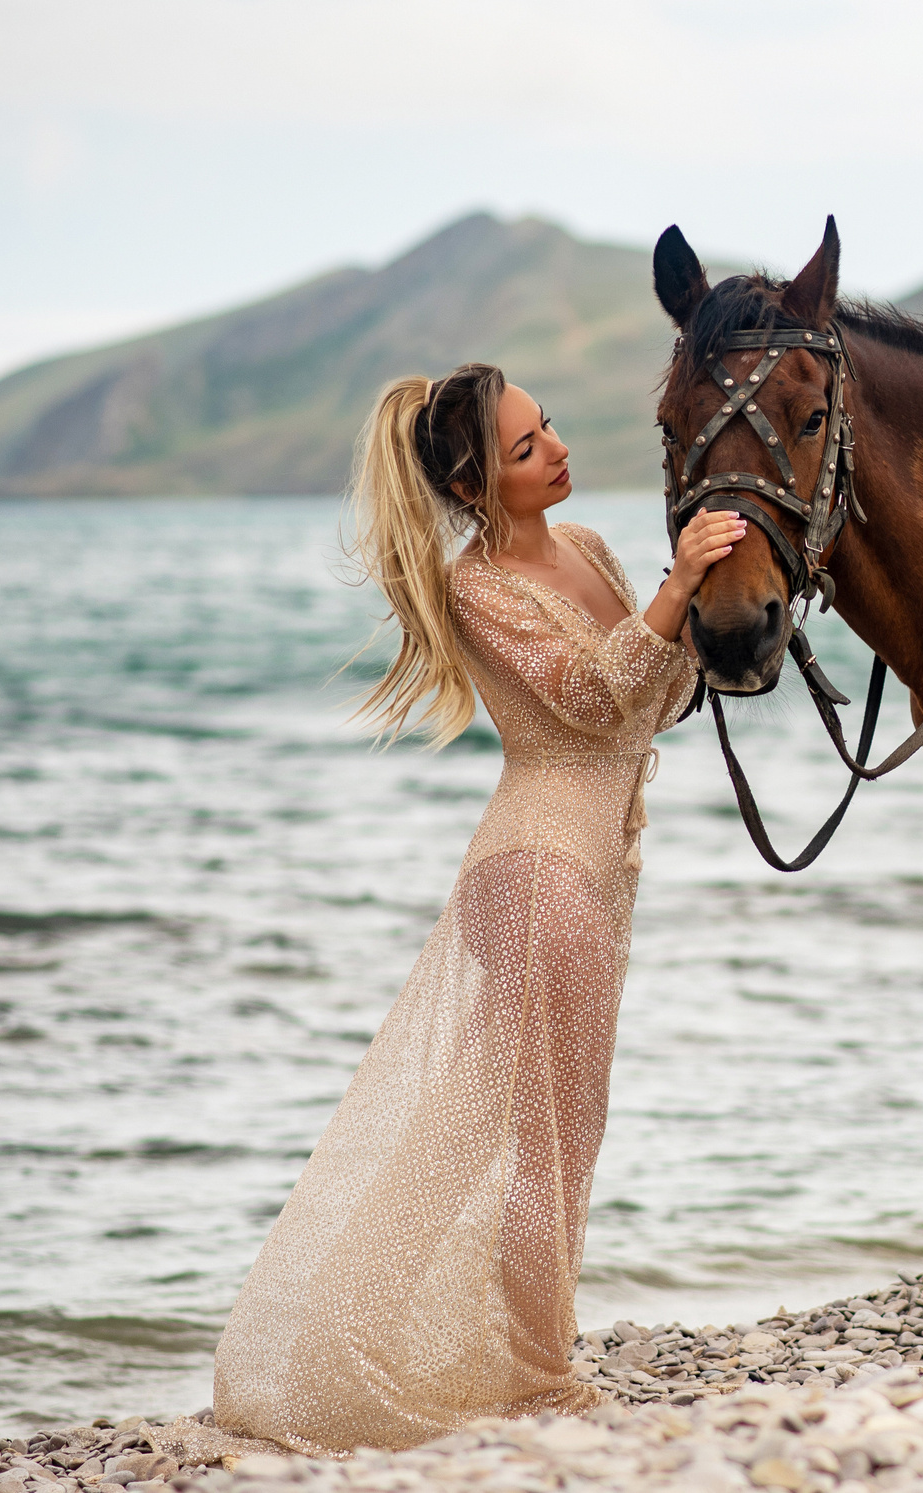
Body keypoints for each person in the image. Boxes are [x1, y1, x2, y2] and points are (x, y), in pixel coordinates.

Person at [211, 362, 741, 1451]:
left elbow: (656, 698)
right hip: (536, 870)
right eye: (521, 448)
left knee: (471, 1135)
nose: (551, 447)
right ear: (475, 485)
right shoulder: (479, 586)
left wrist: (704, 613)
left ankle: (340, 1345)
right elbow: (595, 699)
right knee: (554, 1138)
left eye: (543, 426)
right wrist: (680, 584)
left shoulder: (588, 551)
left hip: (590, 868)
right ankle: (540, 1382)